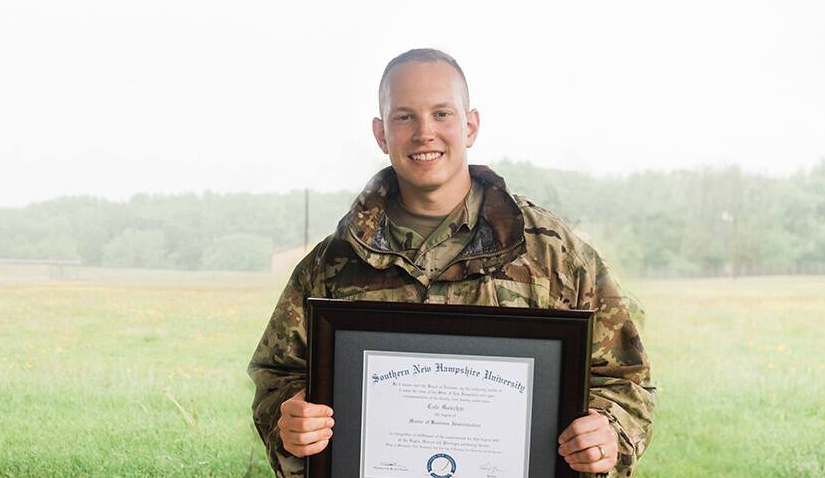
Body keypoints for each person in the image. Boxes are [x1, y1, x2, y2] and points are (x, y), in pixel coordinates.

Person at [247, 48, 655, 477]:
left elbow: (627, 381)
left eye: (442, 113)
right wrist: (288, 423)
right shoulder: (331, 263)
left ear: (470, 125)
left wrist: (610, 432)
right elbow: (278, 376)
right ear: (381, 133)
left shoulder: (556, 254)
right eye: (404, 117)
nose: (425, 132)